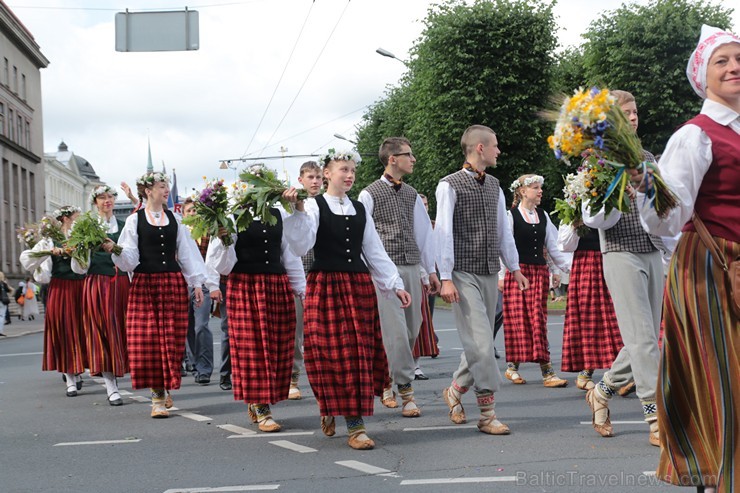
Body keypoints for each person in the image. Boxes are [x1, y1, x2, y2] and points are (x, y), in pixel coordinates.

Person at [633, 25, 740, 492]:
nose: (734, 67)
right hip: (709, 267)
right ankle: (720, 473)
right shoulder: (694, 137)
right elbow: (666, 220)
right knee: (723, 377)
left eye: (739, 59)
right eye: (723, 61)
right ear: (703, 74)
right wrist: (651, 190)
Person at [284, 149, 411, 450]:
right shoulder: (313, 207)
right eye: (344, 169)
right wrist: (296, 212)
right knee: (326, 354)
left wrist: (395, 283)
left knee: (357, 354)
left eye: (352, 170)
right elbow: (301, 246)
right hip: (325, 286)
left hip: (357, 285)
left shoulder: (359, 209)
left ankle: (356, 425)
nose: (350, 175)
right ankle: (328, 404)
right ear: (327, 173)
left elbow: (374, 250)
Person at [582, 89, 670, 447]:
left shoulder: (648, 157)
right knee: (644, 339)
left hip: (652, 251)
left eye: (636, 112)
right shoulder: (598, 160)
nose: (633, 118)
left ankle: (601, 392)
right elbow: (592, 218)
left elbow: (664, 210)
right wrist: (619, 194)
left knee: (645, 339)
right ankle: (655, 418)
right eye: (626, 113)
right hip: (619, 253)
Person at [435, 124, 528, 435]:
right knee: (482, 345)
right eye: (495, 146)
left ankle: (456, 390)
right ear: (480, 149)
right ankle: (487, 413)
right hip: (462, 273)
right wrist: (445, 277)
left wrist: (513, 267)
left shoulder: (496, 186)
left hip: (489, 270)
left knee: (481, 343)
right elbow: (443, 232)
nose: (498, 151)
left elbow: (504, 232)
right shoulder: (448, 185)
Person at [111, 172, 207, 418]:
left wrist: (196, 283)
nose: (166, 190)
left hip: (172, 283)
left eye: (167, 186)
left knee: (172, 340)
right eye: (162, 186)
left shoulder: (175, 219)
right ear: (148, 190)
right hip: (145, 284)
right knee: (148, 340)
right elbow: (130, 260)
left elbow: (187, 254)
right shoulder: (134, 221)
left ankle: (163, 386)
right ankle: (156, 395)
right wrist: (117, 252)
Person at [207, 194, 305, 433]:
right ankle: (262, 408)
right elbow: (222, 266)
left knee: (277, 346)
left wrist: (302, 290)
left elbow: (290, 256)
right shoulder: (231, 218)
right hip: (246, 286)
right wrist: (225, 242)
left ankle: (258, 398)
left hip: (276, 285)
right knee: (252, 347)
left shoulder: (280, 216)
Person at [358, 137, 439, 417]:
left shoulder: (412, 193)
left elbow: (423, 235)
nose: (413, 159)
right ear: (392, 159)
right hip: (384, 272)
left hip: (411, 267)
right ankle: (404, 392)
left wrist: (429, 271)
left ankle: (387, 380)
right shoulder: (369, 194)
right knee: (395, 333)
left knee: (411, 328)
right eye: (408, 154)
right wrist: (372, 273)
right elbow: (363, 237)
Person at [501, 175, 571, 388]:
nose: (540, 191)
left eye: (540, 187)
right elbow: (504, 247)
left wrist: (562, 269)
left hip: (538, 273)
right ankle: (515, 367)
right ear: (523, 191)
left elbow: (553, 245)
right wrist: (502, 275)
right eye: (535, 188)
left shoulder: (543, 215)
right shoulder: (510, 215)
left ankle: (546, 371)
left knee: (537, 321)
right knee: (518, 322)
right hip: (518, 274)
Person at [68, 186, 132, 406]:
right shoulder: (85, 226)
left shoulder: (125, 226)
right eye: (103, 197)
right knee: (102, 331)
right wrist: (82, 248)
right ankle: (110, 384)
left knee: (125, 330)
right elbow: (78, 267)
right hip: (97, 283)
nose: (108, 200)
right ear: (95, 202)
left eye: (110, 196)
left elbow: (132, 257)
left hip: (122, 283)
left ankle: (129, 373)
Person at [20, 206, 87, 396]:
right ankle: (70, 378)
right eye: (76, 216)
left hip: (80, 287)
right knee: (64, 331)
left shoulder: (80, 237)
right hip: (60, 288)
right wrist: (50, 251)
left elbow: (85, 266)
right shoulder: (49, 240)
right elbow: (28, 260)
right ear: (66, 218)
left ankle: (78, 370)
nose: (78, 219)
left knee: (81, 331)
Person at [557, 224, 622, 390]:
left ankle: (620, 372)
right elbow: (564, 245)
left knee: (618, 316)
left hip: (612, 257)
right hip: (587, 263)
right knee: (590, 320)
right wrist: (575, 224)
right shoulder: (576, 203)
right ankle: (586, 373)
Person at [288, 160, 324, 400]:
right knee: (297, 330)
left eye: (318, 177)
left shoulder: (328, 203)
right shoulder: (291, 204)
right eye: (310, 177)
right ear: (301, 179)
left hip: (324, 271)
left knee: (322, 330)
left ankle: (323, 375)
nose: (315, 181)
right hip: (302, 270)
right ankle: (293, 378)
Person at [181, 197, 220, 386]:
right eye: (189, 211)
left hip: (203, 284)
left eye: (195, 210)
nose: (192, 214)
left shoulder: (208, 231)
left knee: (201, 326)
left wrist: (213, 284)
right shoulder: (180, 232)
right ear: (183, 214)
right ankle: (195, 364)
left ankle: (205, 368)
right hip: (183, 284)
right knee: (188, 328)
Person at [412, 194, 440, 380]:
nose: (424, 207)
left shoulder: (434, 225)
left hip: (430, 275)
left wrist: (434, 274)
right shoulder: (414, 225)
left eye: (426, 204)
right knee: (413, 320)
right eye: (421, 205)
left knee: (425, 317)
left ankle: (416, 362)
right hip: (414, 272)